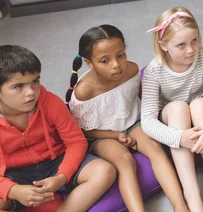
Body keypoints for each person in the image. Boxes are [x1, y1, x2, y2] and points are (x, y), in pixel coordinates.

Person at [66, 25, 188, 212]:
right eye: (104, 61)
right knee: (124, 160)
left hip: (132, 122)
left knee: (155, 148)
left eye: (121, 55)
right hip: (100, 135)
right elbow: (84, 131)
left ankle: (181, 206)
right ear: (90, 64)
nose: (116, 64)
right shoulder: (84, 91)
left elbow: (137, 99)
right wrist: (115, 137)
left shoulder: (131, 70)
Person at [0, 45, 116, 212]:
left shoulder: (50, 102)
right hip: (15, 173)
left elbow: (76, 142)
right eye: (18, 86)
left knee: (104, 171)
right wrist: (14, 190)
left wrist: (62, 176)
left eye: (35, 81)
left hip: (57, 161)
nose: (31, 92)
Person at [141, 7, 203, 212]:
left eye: (194, 41)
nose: (191, 50)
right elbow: (147, 120)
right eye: (181, 45)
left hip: (202, 115)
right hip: (176, 120)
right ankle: (192, 195)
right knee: (178, 107)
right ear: (163, 45)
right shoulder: (154, 71)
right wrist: (178, 137)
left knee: (199, 104)